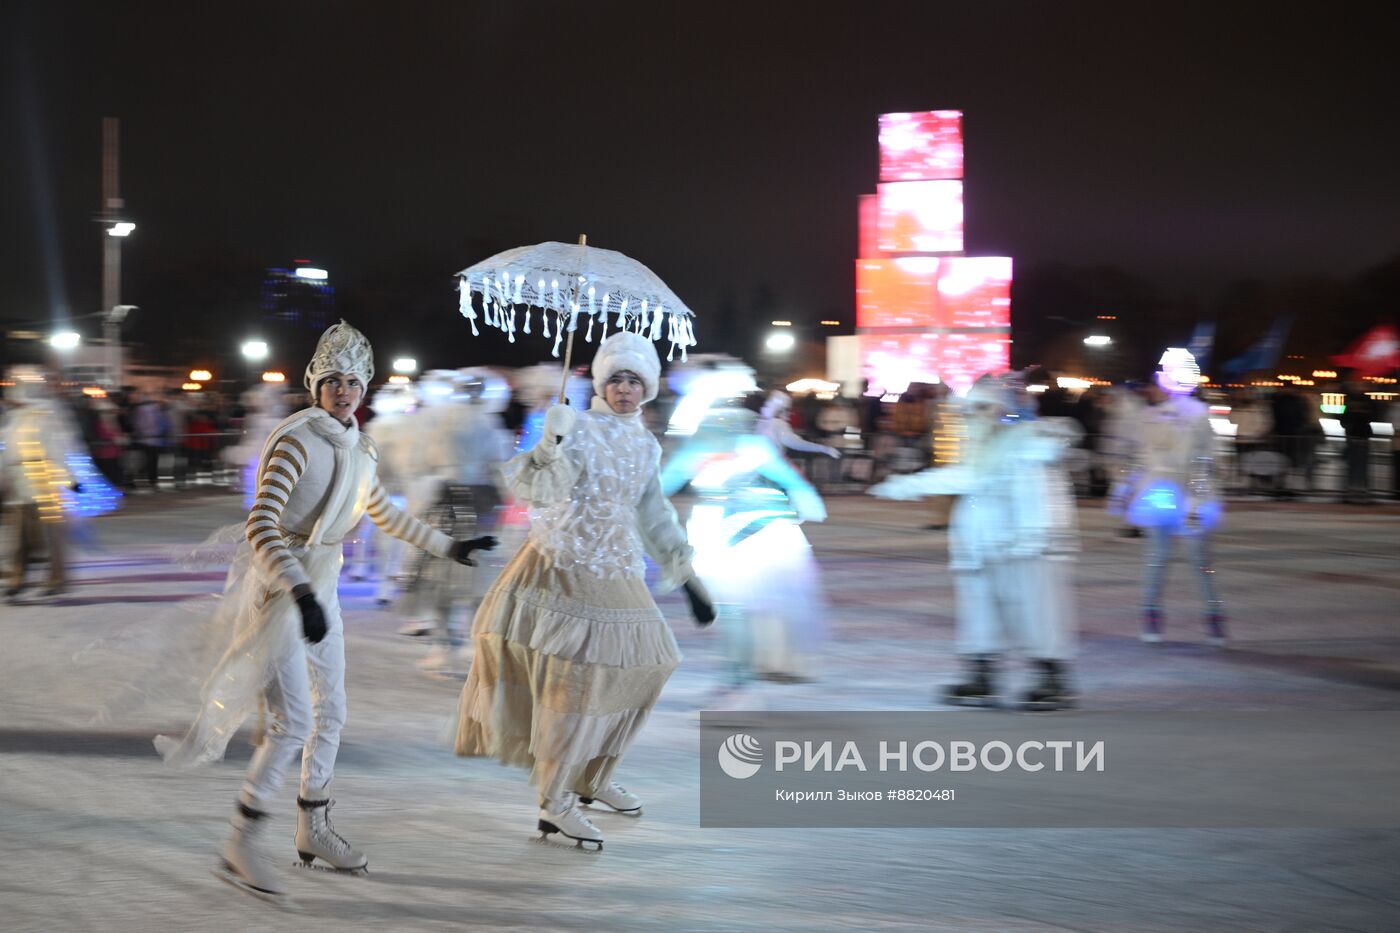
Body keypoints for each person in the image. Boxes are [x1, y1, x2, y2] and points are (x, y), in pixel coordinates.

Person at [154, 321, 496, 899]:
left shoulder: (359, 446)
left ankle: (312, 825)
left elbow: (384, 512)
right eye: (333, 380)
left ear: (364, 390)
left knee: (331, 712)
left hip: (322, 593)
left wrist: (450, 547)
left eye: (354, 382)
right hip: (283, 593)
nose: (343, 391)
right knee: (292, 725)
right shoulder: (296, 440)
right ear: (316, 385)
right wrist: (299, 591)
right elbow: (261, 525)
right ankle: (242, 838)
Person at [454, 331, 714, 851]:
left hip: (615, 563)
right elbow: (537, 492)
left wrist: (686, 577)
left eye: (634, 380)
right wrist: (550, 445)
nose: (624, 389)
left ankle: (589, 774)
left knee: (650, 662)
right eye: (615, 378)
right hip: (563, 562)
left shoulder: (644, 442)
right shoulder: (579, 427)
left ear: (648, 389)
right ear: (600, 382)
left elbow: (652, 511)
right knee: (572, 685)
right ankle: (555, 802)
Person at [870, 374, 1079, 711]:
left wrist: (1032, 535)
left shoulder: (1023, 445)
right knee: (979, 611)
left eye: (982, 408)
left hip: (1018, 549)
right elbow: (965, 476)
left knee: (1035, 611)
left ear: (999, 410)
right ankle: (982, 673)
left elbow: (1035, 495)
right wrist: (906, 486)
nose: (974, 417)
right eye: (969, 410)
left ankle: (1051, 676)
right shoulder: (980, 448)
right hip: (978, 546)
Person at [1114, 349, 1226, 645]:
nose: (1152, 389)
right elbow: (1139, 457)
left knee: (1199, 560)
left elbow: (1204, 460)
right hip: (1158, 493)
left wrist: (1197, 498)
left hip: (1187, 492)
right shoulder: (1147, 417)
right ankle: (1151, 615)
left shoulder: (1196, 414)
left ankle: (1213, 615)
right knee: (1157, 558)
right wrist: (1125, 488)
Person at [1, 373, 81, 600]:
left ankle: (57, 579)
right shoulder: (11, 419)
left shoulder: (45, 416)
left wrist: (70, 480)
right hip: (17, 482)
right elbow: (4, 450)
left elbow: (58, 448)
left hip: (44, 481)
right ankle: (17, 578)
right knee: (18, 536)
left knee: (51, 534)